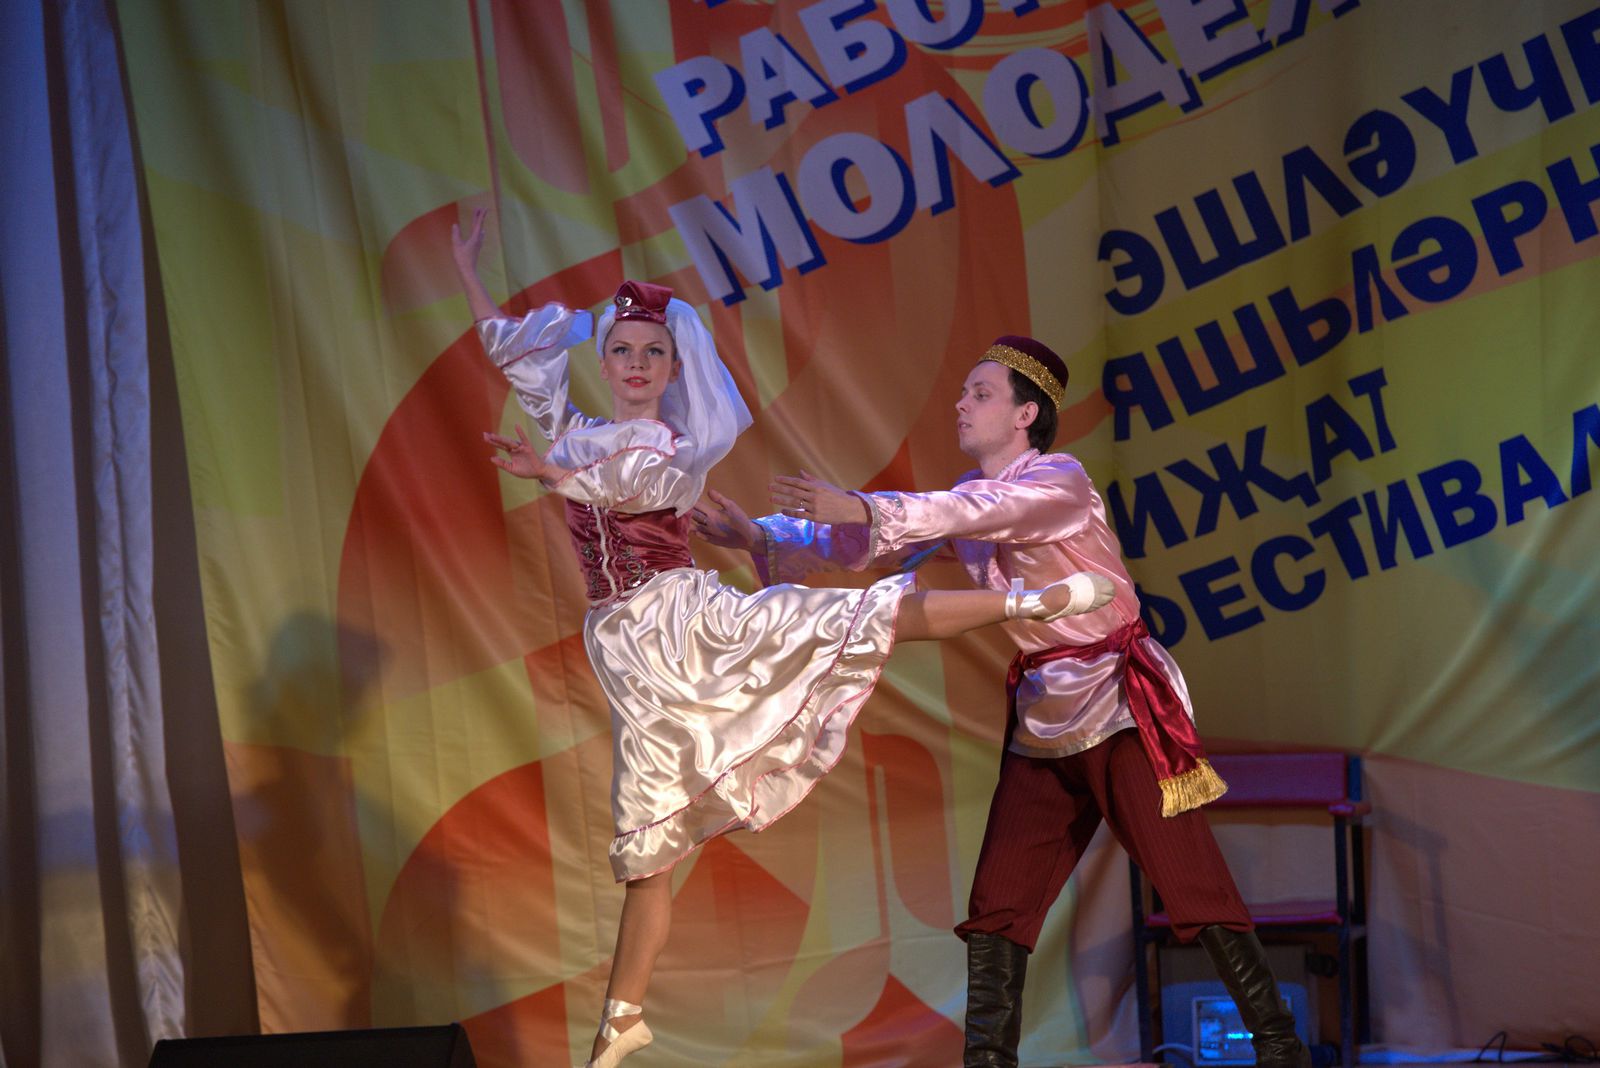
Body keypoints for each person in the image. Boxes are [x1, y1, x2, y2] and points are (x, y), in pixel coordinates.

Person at [450, 211, 1116, 1068]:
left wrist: (551, 473)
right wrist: (468, 273)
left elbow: (633, 482)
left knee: (859, 615)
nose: (638, 365)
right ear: (604, 362)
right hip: (630, 657)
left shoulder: (666, 443)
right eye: (623, 351)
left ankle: (1033, 597)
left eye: (654, 353)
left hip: (688, 625)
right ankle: (621, 1020)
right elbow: (519, 360)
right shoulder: (579, 434)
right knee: (649, 847)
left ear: (673, 370)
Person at [694, 335, 1311, 1068]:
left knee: (1188, 878)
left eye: (980, 394)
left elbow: (970, 513)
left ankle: (1280, 1048)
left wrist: (861, 503)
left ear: (1025, 415)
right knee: (999, 906)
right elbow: (871, 548)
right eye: (963, 392)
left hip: (1118, 704)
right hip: (1044, 717)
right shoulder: (968, 498)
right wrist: (756, 535)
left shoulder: (1059, 483)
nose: (961, 404)